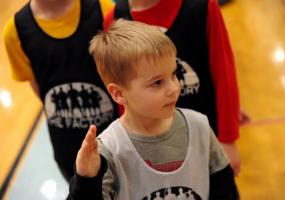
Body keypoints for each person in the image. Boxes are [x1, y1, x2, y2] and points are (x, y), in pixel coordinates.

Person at [68, 19, 238, 200]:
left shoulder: (199, 126)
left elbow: (224, 187)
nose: (173, 88)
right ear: (118, 93)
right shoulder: (108, 151)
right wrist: (86, 181)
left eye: (173, 74)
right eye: (157, 82)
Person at [103, 0, 243, 175]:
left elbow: (224, 73)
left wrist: (228, 139)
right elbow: (124, 95)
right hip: (154, 149)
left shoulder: (202, 6)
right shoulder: (113, 19)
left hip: (205, 138)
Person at [3, 0, 119, 182]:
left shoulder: (104, 10)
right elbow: (39, 89)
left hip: (113, 138)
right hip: (66, 146)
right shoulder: (15, 31)